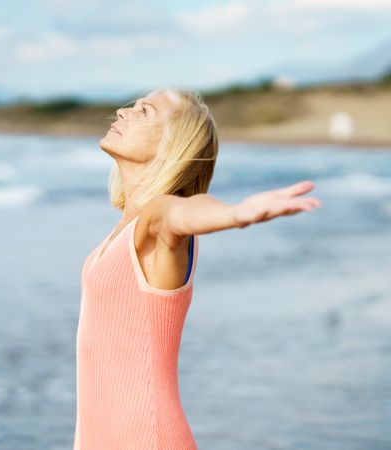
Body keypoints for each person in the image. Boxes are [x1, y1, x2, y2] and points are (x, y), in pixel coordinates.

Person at [73, 86, 322, 449]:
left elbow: (182, 213)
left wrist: (235, 214)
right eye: (131, 105)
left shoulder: (157, 219)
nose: (123, 112)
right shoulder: (124, 229)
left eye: (145, 112)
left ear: (174, 145)